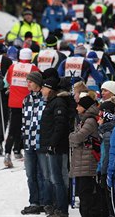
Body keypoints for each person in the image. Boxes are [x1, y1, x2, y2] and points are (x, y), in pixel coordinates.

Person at [20, 71, 52, 215]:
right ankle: (34, 201)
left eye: (30, 81)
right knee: (30, 174)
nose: (28, 84)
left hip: (41, 142)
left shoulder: (45, 99)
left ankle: (46, 202)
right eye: (27, 81)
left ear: (38, 83)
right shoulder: (26, 99)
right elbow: (24, 120)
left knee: (44, 174)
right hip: (28, 142)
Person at [39, 76, 70, 217]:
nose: (41, 90)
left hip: (57, 147)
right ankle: (58, 207)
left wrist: (52, 144)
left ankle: (62, 209)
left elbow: (59, 125)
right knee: (55, 178)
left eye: (44, 88)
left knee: (57, 179)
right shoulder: (52, 102)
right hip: (52, 146)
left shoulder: (58, 102)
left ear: (50, 89)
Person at [4, 48, 40, 167]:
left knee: (13, 129)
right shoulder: (33, 68)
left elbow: (8, 81)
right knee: (28, 128)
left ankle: (7, 154)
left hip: (14, 103)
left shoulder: (12, 67)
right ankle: (24, 152)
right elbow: (40, 80)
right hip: (28, 103)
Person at [69, 95, 100, 217]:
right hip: (83, 162)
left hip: (88, 164)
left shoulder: (90, 121)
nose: (77, 108)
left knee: (86, 195)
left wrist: (72, 137)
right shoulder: (84, 119)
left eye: (79, 105)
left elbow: (77, 137)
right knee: (83, 195)